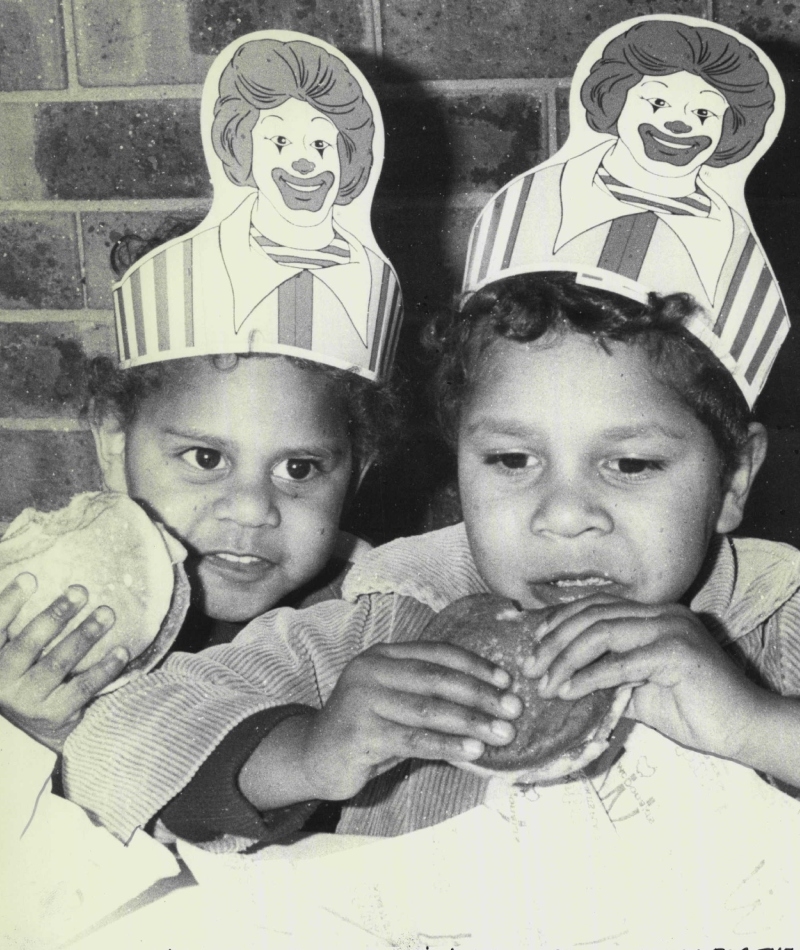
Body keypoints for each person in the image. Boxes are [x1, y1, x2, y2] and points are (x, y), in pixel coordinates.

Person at [59, 271, 800, 847]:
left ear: (732, 479)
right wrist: (308, 751)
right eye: (512, 459)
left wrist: (760, 726)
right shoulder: (395, 612)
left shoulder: (776, 616)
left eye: (631, 465)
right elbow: (110, 744)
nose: (565, 515)